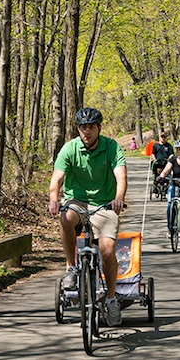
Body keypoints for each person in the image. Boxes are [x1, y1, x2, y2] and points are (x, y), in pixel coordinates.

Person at [48, 107, 127, 326]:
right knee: (66, 217)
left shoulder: (111, 147)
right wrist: (54, 199)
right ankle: (72, 268)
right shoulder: (69, 149)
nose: (87, 131)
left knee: (107, 250)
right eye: (83, 127)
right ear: (78, 129)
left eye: (91, 127)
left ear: (99, 128)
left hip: (104, 204)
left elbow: (120, 175)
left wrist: (119, 197)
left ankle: (111, 300)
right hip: (77, 201)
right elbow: (56, 179)